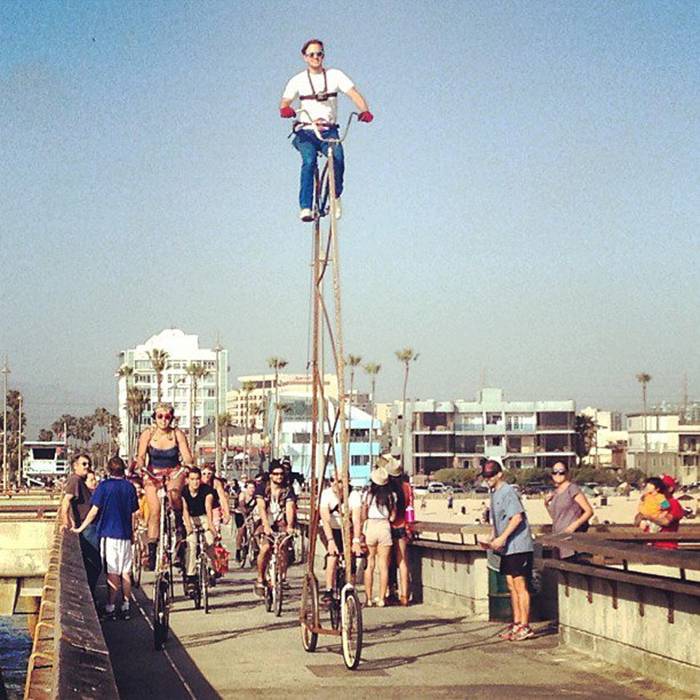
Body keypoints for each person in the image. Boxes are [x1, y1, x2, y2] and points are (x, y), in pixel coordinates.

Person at [280, 38, 373, 222]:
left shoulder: (335, 75)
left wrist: (365, 110)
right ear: (305, 57)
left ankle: (335, 196)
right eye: (312, 54)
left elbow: (353, 93)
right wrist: (286, 109)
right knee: (309, 160)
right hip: (306, 132)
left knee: (338, 158)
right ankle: (306, 206)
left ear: (323, 55)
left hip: (328, 131)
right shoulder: (298, 80)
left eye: (319, 53)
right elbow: (285, 101)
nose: (316, 57)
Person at [73, 456, 139, 620]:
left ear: (109, 470)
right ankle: (126, 605)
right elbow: (133, 513)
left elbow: (94, 510)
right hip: (125, 534)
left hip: (110, 534)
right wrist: (133, 533)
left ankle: (110, 607)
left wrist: (80, 528)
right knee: (125, 572)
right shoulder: (129, 488)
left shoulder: (104, 487)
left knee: (112, 572)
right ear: (122, 469)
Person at [135, 403, 193, 569]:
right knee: (154, 510)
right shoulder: (148, 434)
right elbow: (140, 456)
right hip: (153, 473)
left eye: (167, 417)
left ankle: (179, 525)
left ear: (171, 418)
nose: (163, 420)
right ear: (154, 417)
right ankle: (152, 550)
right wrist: (141, 466)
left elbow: (187, 456)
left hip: (173, 472)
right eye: (160, 416)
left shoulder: (177, 434)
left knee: (174, 494)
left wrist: (187, 465)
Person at [481, 460, 535, 641]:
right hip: (507, 548)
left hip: (519, 546)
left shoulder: (508, 492)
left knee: (520, 586)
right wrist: (492, 538)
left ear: (499, 474)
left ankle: (525, 626)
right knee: (511, 586)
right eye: (485, 475)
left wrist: (502, 538)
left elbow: (517, 518)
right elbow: (498, 520)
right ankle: (517, 623)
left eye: (491, 475)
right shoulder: (494, 493)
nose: (488, 479)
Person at [319, 472, 363, 605]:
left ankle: (350, 589)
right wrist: (331, 541)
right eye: (332, 480)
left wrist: (356, 541)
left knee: (351, 558)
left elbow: (356, 519)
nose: (334, 483)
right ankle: (329, 589)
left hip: (346, 529)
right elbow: (325, 519)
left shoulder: (354, 495)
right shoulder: (326, 494)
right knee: (332, 556)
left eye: (338, 481)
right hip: (330, 529)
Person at [61, 453, 101, 596]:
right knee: (94, 563)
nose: (87, 467)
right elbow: (66, 503)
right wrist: (67, 523)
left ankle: (90, 593)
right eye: (84, 464)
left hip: (88, 526)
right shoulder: (75, 480)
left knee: (92, 563)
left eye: (88, 464)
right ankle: (89, 593)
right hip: (87, 527)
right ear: (75, 466)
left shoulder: (79, 481)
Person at [254, 461, 297, 596]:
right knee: (266, 548)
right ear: (271, 475)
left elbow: (290, 507)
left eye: (281, 474)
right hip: (266, 521)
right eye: (276, 474)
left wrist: (290, 526)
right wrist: (266, 525)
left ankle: (282, 576)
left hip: (281, 522)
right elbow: (261, 507)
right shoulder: (262, 488)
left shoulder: (288, 490)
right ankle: (260, 578)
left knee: (283, 548)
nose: (279, 477)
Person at [544, 461, 594, 559]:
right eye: (555, 472)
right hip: (558, 539)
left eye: (561, 472)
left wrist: (574, 525)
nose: (558, 474)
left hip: (571, 540)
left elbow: (589, 511)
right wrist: (546, 504)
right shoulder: (556, 492)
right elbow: (556, 517)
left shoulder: (572, 489)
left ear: (567, 473)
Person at [362, 466, 396, 607]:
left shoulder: (368, 495)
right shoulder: (391, 496)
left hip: (371, 526)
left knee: (369, 564)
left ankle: (368, 598)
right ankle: (382, 598)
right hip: (384, 527)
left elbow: (363, 514)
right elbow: (393, 517)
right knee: (383, 566)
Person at [383, 454, 413, 606]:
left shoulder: (388, 488)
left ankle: (389, 592)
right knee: (403, 562)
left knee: (386, 563)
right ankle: (405, 595)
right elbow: (410, 508)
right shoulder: (407, 487)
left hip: (389, 527)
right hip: (402, 527)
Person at [182, 467, 218, 593]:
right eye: (192, 479)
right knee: (191, 543)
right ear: (188, 480)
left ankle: (212, 568)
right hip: (190, 518)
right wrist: (188, 527)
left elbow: (208, 507)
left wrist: (211, 525)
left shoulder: (207, 490)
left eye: (197, 479)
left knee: (209, 540)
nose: (195, 482)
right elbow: (184, 510)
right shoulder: (184, 491)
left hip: (203, 518)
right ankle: (190, 576)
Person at [201, 465, 232, 532]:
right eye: (204, 473)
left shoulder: (216, 483)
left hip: (214, 508)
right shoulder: (198, 482)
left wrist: (227, 513)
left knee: (215, 530)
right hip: (201, 509)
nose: (206, 476)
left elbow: (223, 498)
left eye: (209, 473)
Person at [235, 479, 259, 560]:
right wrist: (245, 514)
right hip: (240, 513)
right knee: (241, 531)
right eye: (250, 487)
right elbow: (241, 505)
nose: (251, 490)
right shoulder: (243, 494)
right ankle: (238, 550)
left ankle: (255, 549)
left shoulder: (256, 496)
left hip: (250, 514)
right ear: (246, 488)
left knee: (254, 530)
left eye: (253, 488)